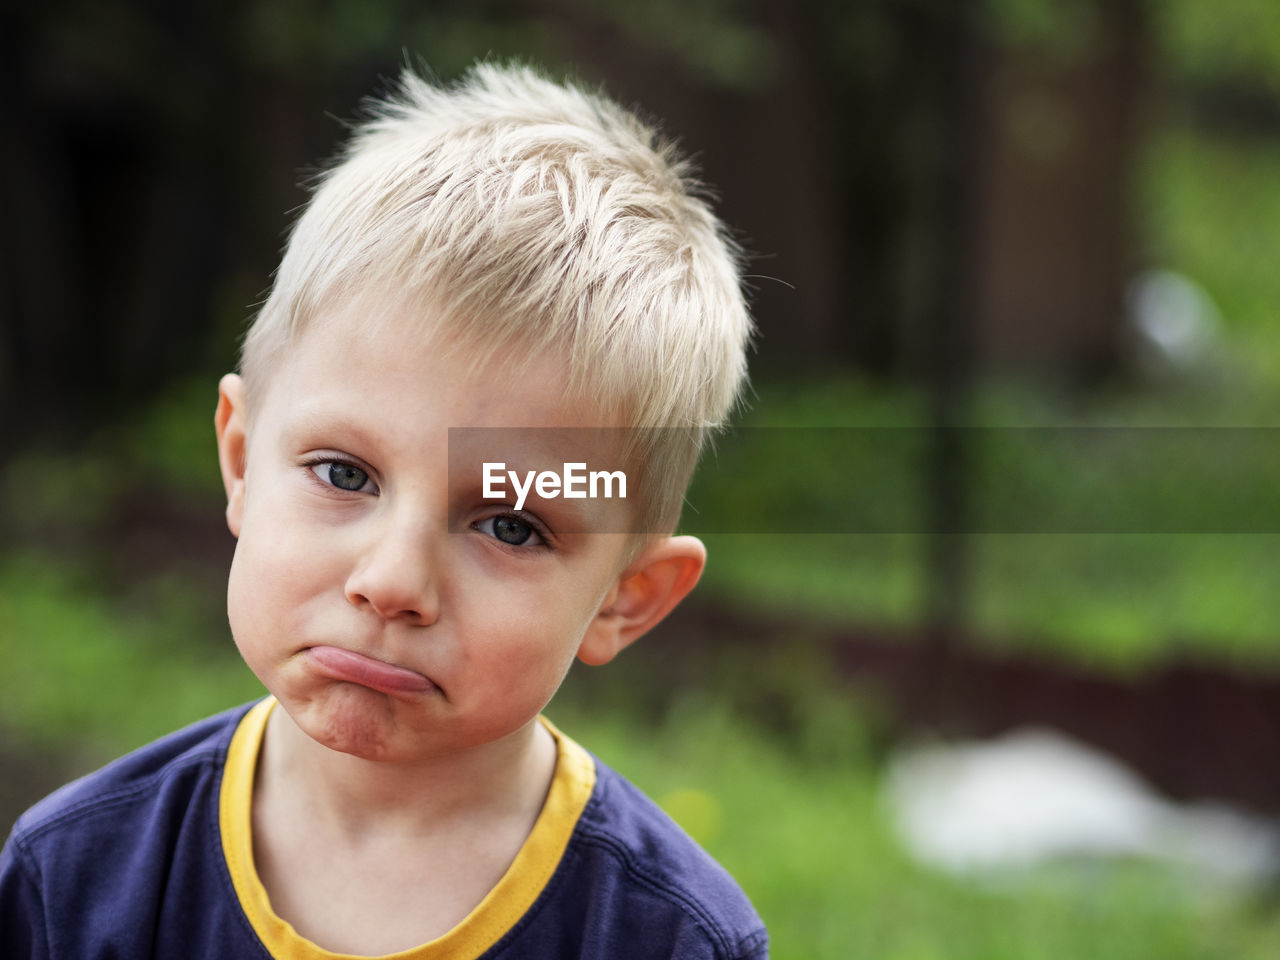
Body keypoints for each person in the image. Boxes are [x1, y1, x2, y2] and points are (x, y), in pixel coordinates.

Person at [0, 61, 766, 959]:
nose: (394, 581)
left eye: (511, 524)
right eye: (345, 474)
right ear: (241, 460)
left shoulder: (666, 937)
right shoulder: (77, 878)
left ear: (625, 596)